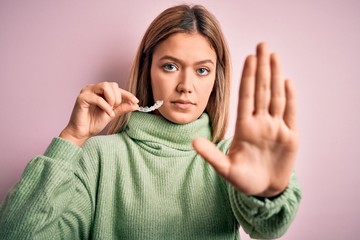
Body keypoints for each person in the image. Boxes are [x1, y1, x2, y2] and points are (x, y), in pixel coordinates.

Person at [0, 4, 301, 240]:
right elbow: (16, 235)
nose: (186, 85)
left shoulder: (233, 158)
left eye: (202, 70)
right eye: (170, 66)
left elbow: (271, 227)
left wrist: (268, 194)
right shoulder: (98, 158)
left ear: (216, 79)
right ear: (148, 71)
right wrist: (72, 138)